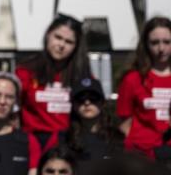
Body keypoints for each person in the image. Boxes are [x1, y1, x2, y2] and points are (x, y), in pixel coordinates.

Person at [14, 14, 89, 147]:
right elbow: (13, 113)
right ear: (48, 35)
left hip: (70, 143)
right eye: (58, 37)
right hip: (32, 144)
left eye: (69, 42)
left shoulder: (83, 77)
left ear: (76, 47)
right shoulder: (25, 72)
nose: (61, 45)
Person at [117, 16, 171, 158]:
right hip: (142, 154)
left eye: (167, 42)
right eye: (154, 42)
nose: (161, 48)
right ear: (146, 44)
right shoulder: (133, 79)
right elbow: (124, 124)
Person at [45, 76, 122, 164]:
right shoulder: (62, 138)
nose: (87, 103)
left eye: (93, 98)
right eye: (80, 98)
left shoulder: (117, 137)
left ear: (102, 102)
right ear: (73, 104)